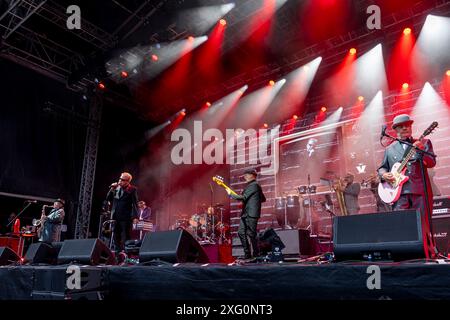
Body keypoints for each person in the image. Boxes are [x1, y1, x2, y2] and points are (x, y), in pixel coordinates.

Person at [377, 114, 437, 257]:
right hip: (398, 193)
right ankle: (404, 255)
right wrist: (384, 175)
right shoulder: (389, 150)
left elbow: (432, 163)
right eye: (402, 126)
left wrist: (422, 151)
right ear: (395, 129)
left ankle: (427, 253)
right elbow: (382, 168)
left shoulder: (423, 142)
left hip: (419, 190)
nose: (405, 128)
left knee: (423, 225)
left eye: (408, 125)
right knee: (400, 225)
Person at [227, 168, 266, 260]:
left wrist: (230, 194)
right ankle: (247, 253)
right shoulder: (253, 186)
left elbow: (243, 198)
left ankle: (256, 254)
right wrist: (253, 199)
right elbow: (263, 199)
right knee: (241, 232)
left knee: (251, 234)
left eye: (246, 175)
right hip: (246, 213)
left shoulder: (254, 185)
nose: (245, 177)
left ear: (252, 175)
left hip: (251, 213)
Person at [106, 172, 139, 252]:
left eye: (122, 180)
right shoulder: (116, 188)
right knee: (116, 236)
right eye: (120, 179)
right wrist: (111, 189)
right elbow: (108, 198)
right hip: (115, 216)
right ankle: (117, 254)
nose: (120, 181)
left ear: (128, 181)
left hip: (125, 217)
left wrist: (135, 217)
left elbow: (135, 203)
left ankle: (126, 254)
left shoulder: (132, 189)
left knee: (125, 236)